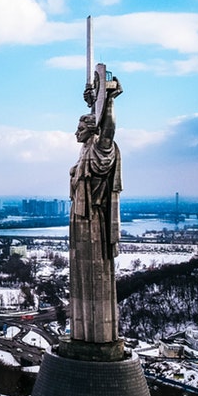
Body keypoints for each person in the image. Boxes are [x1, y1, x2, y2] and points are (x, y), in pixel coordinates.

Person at [68, 72, 123, 345]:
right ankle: (81, 333)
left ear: (90, 130)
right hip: (80, 225)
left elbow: (108, 131)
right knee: (80, 276)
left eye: (79, 127)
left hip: (93, 224)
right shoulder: (85, 151)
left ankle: (94, 337)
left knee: (95, 276)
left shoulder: (101, 149)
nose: (75, 132)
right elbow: (100, 123)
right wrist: (95, 104)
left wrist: (108, 102)